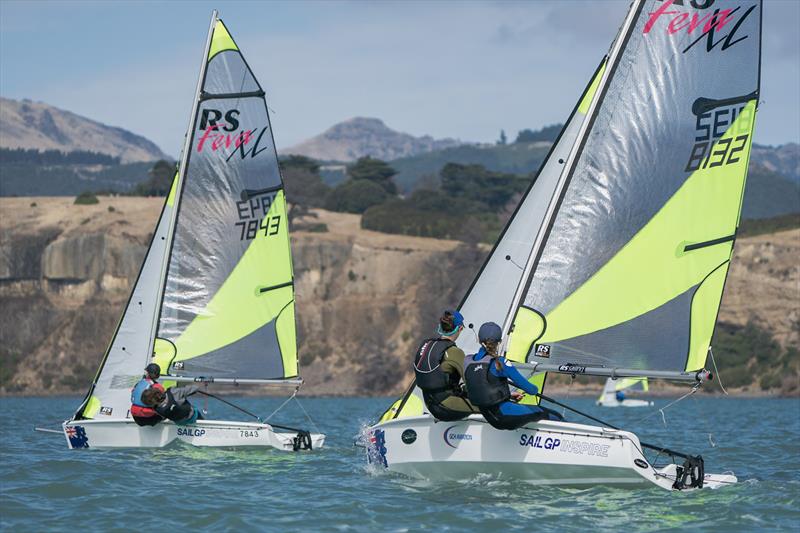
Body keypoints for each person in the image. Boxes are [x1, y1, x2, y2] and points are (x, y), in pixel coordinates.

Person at [464, 322, 563, 430]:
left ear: (478, 340)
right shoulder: (500, 362)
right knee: (555, 415)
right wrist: (535, 389)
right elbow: (531, 390)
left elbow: (481, 389)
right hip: (506, 417)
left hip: (490, 418)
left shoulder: (467, 361)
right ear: (499, 342)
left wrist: (509, 395)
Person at [413, 310, 477, 421]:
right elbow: (473, 383)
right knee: (490, 407)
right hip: (446, 407)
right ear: (460, 328)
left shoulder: (428, 346)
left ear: (440, 327)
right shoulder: (454, 352)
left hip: (430, 405)